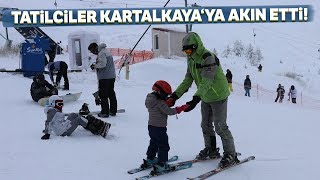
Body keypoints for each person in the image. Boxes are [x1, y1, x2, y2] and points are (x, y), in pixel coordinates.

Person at [166, 32, 239, 168]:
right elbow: (188, 79)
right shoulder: (191, 58)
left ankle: (231, 154)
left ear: (195, 46)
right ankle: (211, 150)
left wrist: (195, 100)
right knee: (205, 124)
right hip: (205, 96)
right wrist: (175, 96)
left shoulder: (208, 58)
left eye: (189, 50)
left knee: (220, 126)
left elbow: (207, 81)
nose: (187, 53)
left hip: (218, 95)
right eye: (185, 51)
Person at [140, 80, 189, 173]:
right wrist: (180, 108)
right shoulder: (160, 103)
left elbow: (162, 104)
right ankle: (161, 164)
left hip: (151, 127)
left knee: (153, 142)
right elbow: (169, 111)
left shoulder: (151, 99)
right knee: (163, 145)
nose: (166, 97)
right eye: (165, 95)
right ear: (159, 92)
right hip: (160, 128)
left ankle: (150, 159)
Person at [41, 95, 111, 140]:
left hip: (62, 126)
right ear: (52, 103)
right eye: (59, 104)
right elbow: (48, 122)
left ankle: (87, 123)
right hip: (62, 132)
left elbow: (53, 122)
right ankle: (97, 129)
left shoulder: (54, 110)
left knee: (73, 114)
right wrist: (47, 133)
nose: (61, 106)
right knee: (79, 119)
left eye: (62, 104)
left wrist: (49, 129)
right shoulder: (52, 111)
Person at [88, 42, 118, 118]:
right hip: (111, 76)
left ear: (95, 47)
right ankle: (113, 111)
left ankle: (105, 112)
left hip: (105, 77)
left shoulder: (101, 53)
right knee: (111, 93)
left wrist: (94, 66)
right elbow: (104, 63)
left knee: (103, 95)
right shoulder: (106, 51)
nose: (93, 53)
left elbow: (103, 64)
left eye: (92, 51)